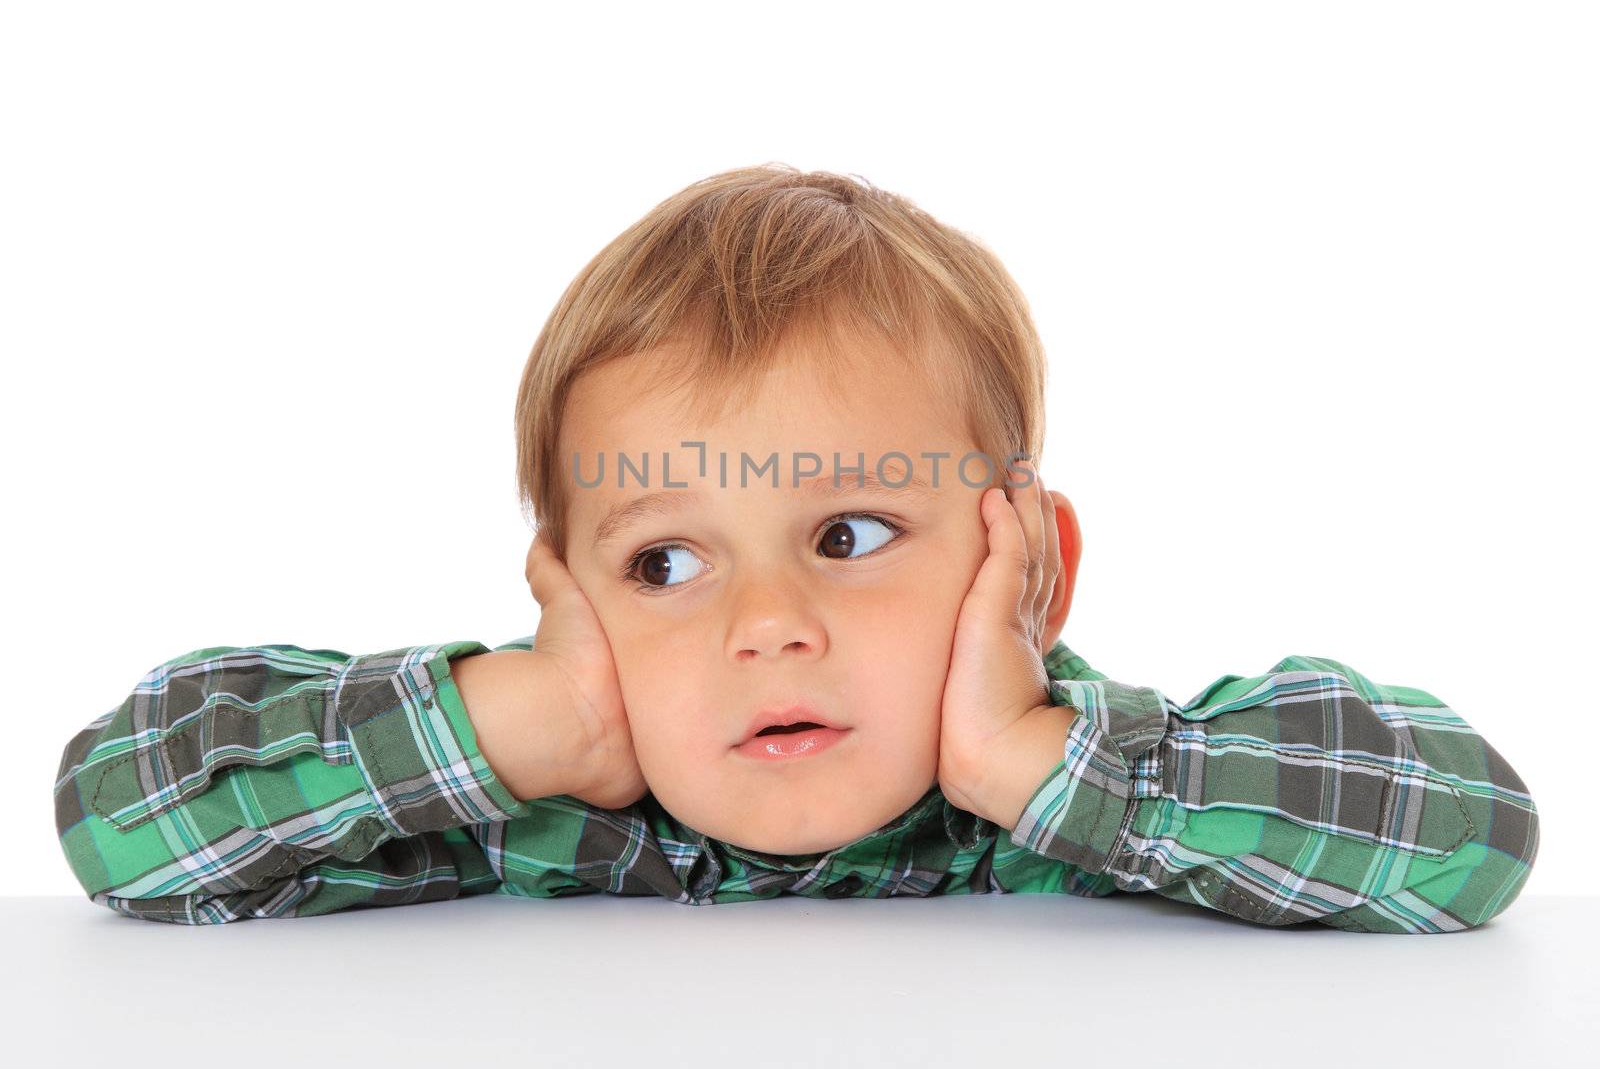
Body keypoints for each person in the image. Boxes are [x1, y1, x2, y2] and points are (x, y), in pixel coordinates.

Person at [53, 165, 1539, 930]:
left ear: (1023, 566)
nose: (765, 625)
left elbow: (1474, 836)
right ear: (572, 598)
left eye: (847, 533)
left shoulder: (1079, 787)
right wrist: (513, 720)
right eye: (664, 567)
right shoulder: (540, 803)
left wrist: (1029, 764)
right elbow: (119, 823)